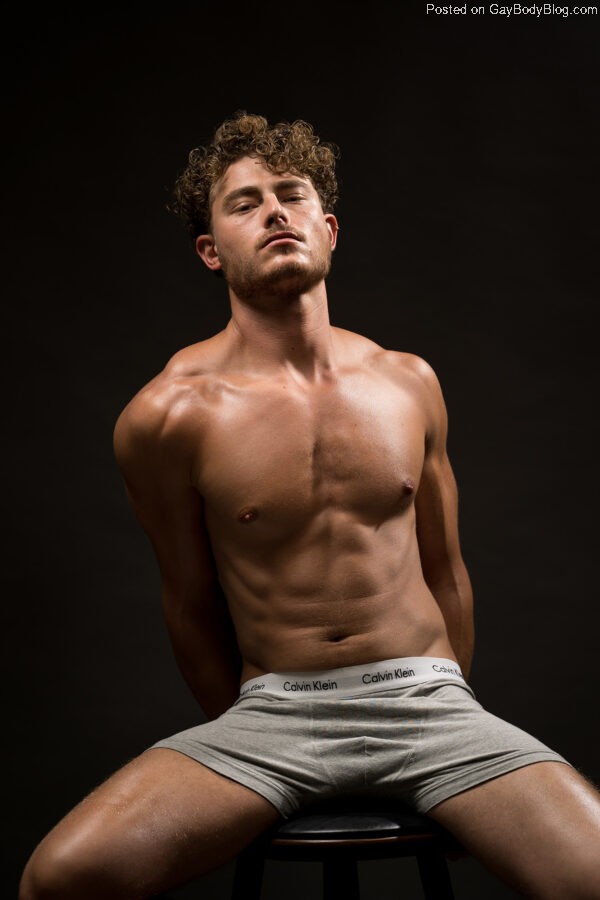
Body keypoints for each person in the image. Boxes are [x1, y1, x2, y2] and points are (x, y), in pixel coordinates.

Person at [19, 111, 600, 900]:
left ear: (328, 229)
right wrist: (248, 748)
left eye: (291, 195)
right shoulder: (167, 416)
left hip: (431, 703)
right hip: (275, 717)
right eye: (245, 202)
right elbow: (189, 605)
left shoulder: (407, 382)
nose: (275, 212)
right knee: (63, 879)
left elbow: (446, 571)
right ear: (210, 251)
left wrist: (456, 732)